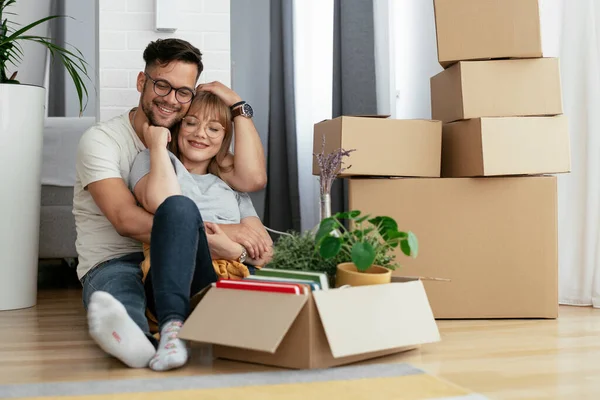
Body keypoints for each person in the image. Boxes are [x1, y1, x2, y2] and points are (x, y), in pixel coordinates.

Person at [73, 38, 270, 369]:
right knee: (121, 297)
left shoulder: (189, 137)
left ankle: (171, 334)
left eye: (183, 92)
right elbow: (125, 219)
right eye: (162, 85)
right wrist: (220, 235)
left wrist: (237, 106)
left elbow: (252, 180)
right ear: (142, 81)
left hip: (195, 262)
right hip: (116, 257)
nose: (171, 100)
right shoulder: (106, 141)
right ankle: (138, 341)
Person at [127, 90, 271, 371]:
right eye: (191, 122)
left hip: (224, 285)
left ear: (223, 138)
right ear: (178, 126)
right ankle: (171, 334)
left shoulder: (232, 188)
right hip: (174, 282)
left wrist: (232, 251)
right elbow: (161, 202)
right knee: (179, 207)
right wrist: (156, 145)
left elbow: (264, 252)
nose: (200, 134)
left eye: (214, 128)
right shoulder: (154, 161)